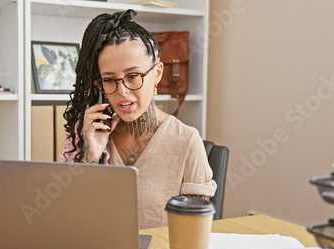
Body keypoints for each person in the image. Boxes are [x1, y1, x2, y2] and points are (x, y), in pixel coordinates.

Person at [59, 9, 217, 229]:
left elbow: (193, 236)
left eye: (133, 76)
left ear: (158, 73)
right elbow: (71, 223)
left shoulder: (187, 141)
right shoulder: (88, 136)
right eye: (109, 80)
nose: (121, 91)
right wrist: (90, 158)